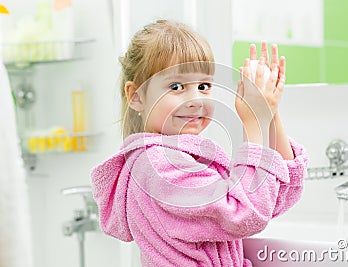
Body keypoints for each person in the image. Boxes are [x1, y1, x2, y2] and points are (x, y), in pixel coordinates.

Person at [91, 19, 308, 267]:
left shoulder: (186, 159)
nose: (195, 99)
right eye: (176, 86)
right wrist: (254, 122)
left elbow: (271, 201)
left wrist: (268, 113)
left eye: (203, 86)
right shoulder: (157, 167)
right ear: (136, 96)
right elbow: (244, 214)